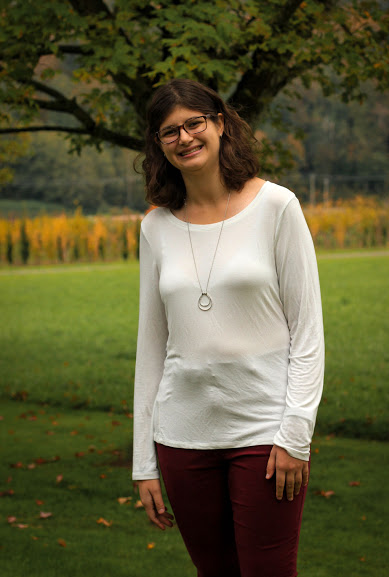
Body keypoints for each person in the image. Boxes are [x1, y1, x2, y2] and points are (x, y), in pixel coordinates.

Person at [132, 79, 325, 577]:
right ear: (158, 144)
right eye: (168, 131)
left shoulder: (277, 207)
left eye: (194, 123)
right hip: (182, 438)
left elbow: (307, 334)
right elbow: (152, 349)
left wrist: (295, 435)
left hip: (265, 431)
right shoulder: (155, 228)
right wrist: (143, 463)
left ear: (219, 124)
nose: (184, 138)